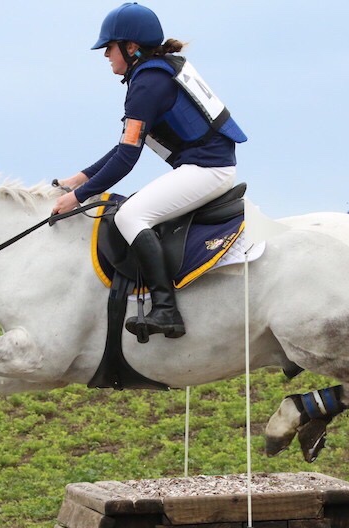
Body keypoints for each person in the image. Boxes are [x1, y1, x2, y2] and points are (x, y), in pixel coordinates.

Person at [52, 2, 246, 339]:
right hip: (205, 166)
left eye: (109, 47)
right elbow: (126, 146)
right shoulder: (155, 73)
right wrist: (79, 180)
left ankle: (166, 310)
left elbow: (127, 158)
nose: (105, 55)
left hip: (207, 169)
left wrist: (77, 199)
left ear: (130, 47)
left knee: (129, 216)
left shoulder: (147, 84)